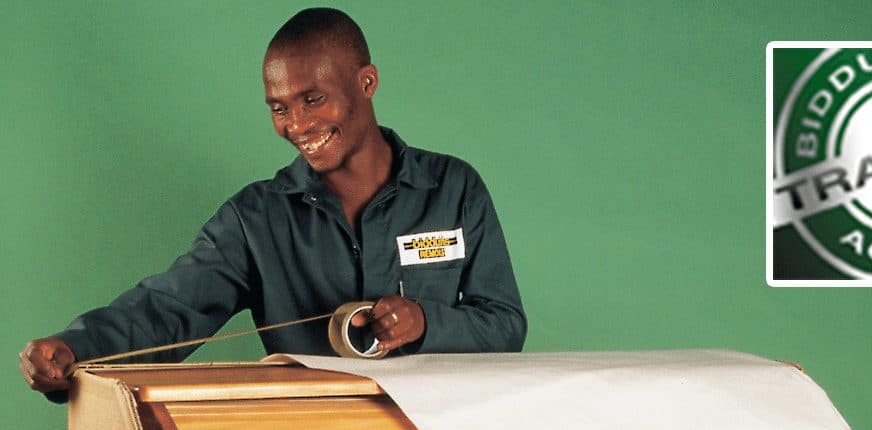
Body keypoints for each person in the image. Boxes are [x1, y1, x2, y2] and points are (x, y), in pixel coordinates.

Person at [19, 7, 525, 396]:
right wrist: (77, 347)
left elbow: (504, 325)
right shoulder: (254, 219)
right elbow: (166, 310)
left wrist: (423, 322)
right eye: (279, 108)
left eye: (313, 99)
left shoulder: (454, 188)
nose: (298, 126)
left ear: (366, 83)